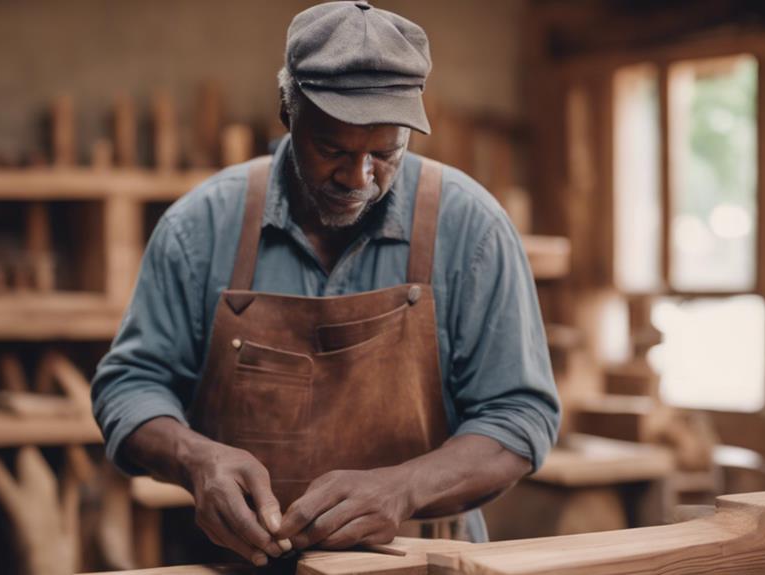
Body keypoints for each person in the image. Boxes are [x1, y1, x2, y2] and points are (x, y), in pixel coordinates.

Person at [91, 1, 559, 566]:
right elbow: (129, 385)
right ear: (287, 112)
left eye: (385, 152)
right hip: (244, 561)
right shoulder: (202, 227)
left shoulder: (472, 230)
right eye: (332, 150)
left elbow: (520, 416)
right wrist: (195, 459)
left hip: (419, 563)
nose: (359, 178)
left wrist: (404, 487)